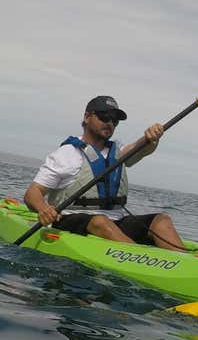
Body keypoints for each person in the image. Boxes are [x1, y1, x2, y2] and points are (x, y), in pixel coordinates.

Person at [24, 95, 186, 251]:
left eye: (114, 120)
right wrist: (43, 208)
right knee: (100, 222)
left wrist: (151, 136)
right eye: (104, 117)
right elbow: (33, 193)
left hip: (116, 221)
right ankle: (143, 259)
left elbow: (142, 146)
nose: (110, 123)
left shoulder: (117, 152)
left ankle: (184, 263)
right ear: (87, 117)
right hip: (71, 219)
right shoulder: (66, 154)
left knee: (161, 220)